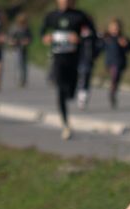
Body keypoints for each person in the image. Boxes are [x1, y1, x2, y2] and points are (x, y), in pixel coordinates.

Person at [40, 0, 95, 140]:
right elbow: (42, 32)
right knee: (60, 89)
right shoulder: (52, 16)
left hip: (74, 58)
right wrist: (46, 38)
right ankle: (65, 124)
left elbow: (92, 34)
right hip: (58, 57)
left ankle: (68, 95)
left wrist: (80, 38)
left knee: (70, 92)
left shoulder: (79, 16)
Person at [102, 18, 130, 109]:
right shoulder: (107, 38)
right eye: (113, 28)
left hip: (120, 62)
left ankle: (113, 92)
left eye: (117, 28)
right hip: (111, 62)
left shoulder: (122, 38)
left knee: (117, 79)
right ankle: (112, 92)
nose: (115, 30)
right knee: (114, 77)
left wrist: (126, 45)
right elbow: (99, 46)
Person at [7, 13, 32, 88]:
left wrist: (27, 41)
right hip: (17, 48)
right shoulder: (15, 28)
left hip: (24, 48)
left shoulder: (27, 28)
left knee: (24, 64)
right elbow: (10, 38)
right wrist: (13, 42)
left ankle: (23, 79)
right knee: (18, 63)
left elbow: (30, 38)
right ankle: (19, 79)